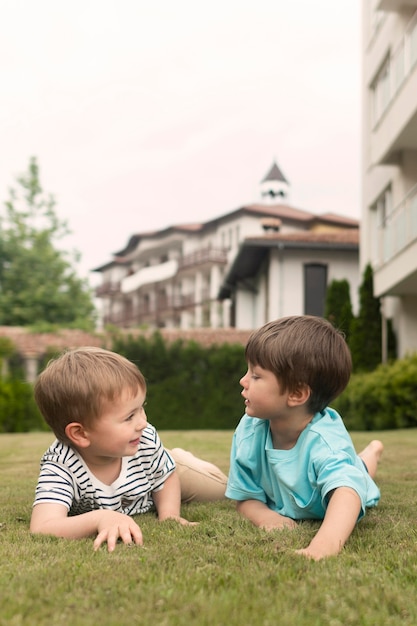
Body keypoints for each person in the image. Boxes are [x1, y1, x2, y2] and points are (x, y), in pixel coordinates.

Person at [30, 346, 227, 552]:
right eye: (129, 416)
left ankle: (179, 457)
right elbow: (43, 526)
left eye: (142, 408)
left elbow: (165, 477)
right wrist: (102, 517)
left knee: (225, 491)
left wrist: (169, 515)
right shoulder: (62, 465)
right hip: (148, 473)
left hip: (170, 470)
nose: (143, 422)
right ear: (80, 434)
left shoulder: (144, 438)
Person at [225, 315, 383, 561]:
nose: (243, 381)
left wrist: (322, 546)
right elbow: (245, 498)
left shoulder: (326, 443)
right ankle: (368, 454)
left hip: (347, 471)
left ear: (297, 394)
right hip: (335, 467)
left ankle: (372, 451)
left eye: (256, 376)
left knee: (360, 471)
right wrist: (267, 517)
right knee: (356, 465)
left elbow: (347, 492)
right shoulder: (248, 432)